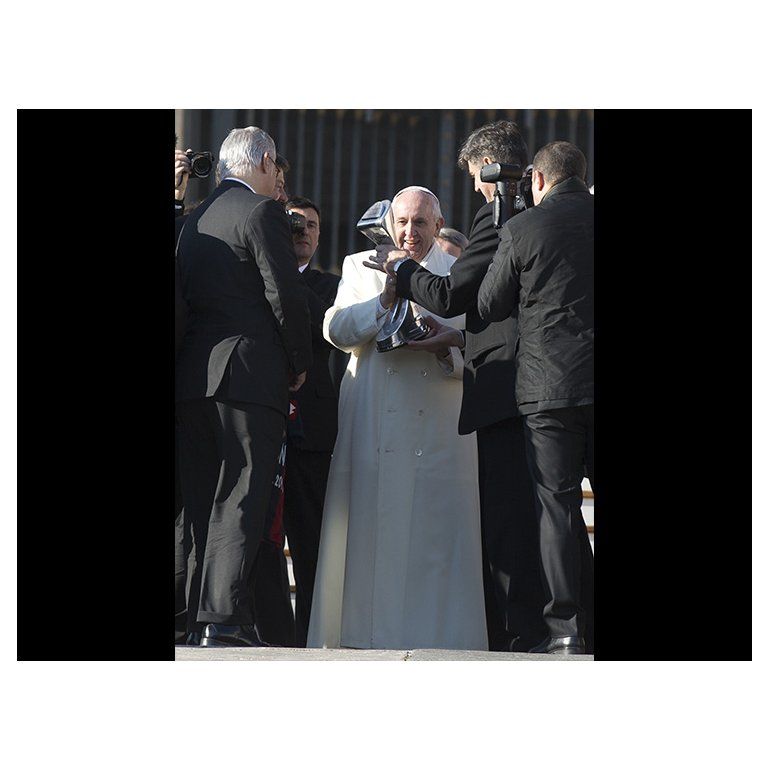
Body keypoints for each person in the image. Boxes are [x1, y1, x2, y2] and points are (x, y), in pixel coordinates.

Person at [364, 121, 547, 652]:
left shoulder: (499, 213)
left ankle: (524, 636)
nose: (474, 188)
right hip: (537, 384)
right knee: (547, 517)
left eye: (473, 176)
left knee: (511, 524)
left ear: (490, 170)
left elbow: (453, 295)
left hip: (507, 390)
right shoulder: (542, 212)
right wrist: (459, 339)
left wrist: (401, 269)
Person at [307, 186, 487, 651]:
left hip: (438, 433)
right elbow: (336, 329)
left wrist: (445, 347)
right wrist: (384, 302)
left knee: (435, 546)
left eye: (420, 223)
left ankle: (440, 644)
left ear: (437, 224)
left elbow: (480, 349)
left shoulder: (459, 273)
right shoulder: (359, 266)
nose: (410, 232)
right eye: (402, 222)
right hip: (374, 425)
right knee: (371, 542)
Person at [175, 126, 312, 648]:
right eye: (276, 168)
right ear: (264, 162)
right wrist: (298, 361)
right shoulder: (261, 212)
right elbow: (285, 295)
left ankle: (197, 620)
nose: (278, 178)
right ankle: (224, 618)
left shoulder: (194, 221)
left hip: (194, 380)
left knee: (201, 501)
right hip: (249, 377)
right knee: (241, 494)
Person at [477, 141, 594, 655]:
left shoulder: (524, 227)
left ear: (539, 180)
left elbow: (489, 302)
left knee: (557, 505)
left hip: (549, 390)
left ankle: (566, 630)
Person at [281, 195, 341, 647]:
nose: (303, 232)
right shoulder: (255, 275)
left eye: (311, 226)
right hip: (262, 421)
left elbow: (324, 325)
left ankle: (307, 637)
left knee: (309, 544)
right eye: (294, 224)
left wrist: (280, 272)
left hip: (312, 430)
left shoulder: (331, 285)